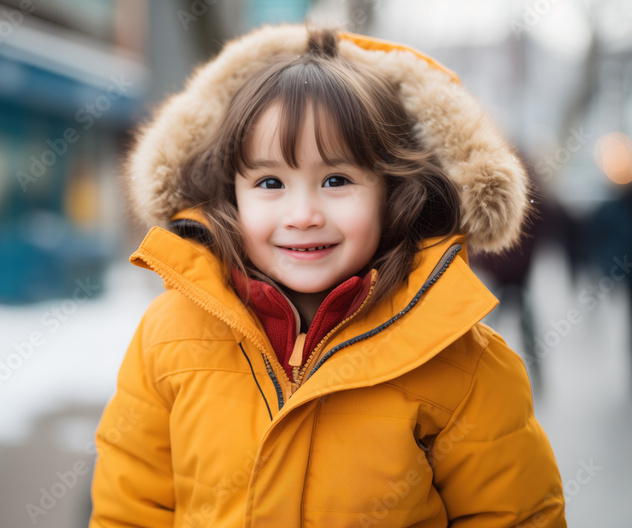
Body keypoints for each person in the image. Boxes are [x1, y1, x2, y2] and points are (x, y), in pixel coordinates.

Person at [89, 25, 566, 527]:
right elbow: (130, 511)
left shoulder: (463, 364)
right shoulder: (168, 339)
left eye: (336, 180)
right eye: (270, 182)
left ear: (393, 192)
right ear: (230, 194)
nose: (302, 215)